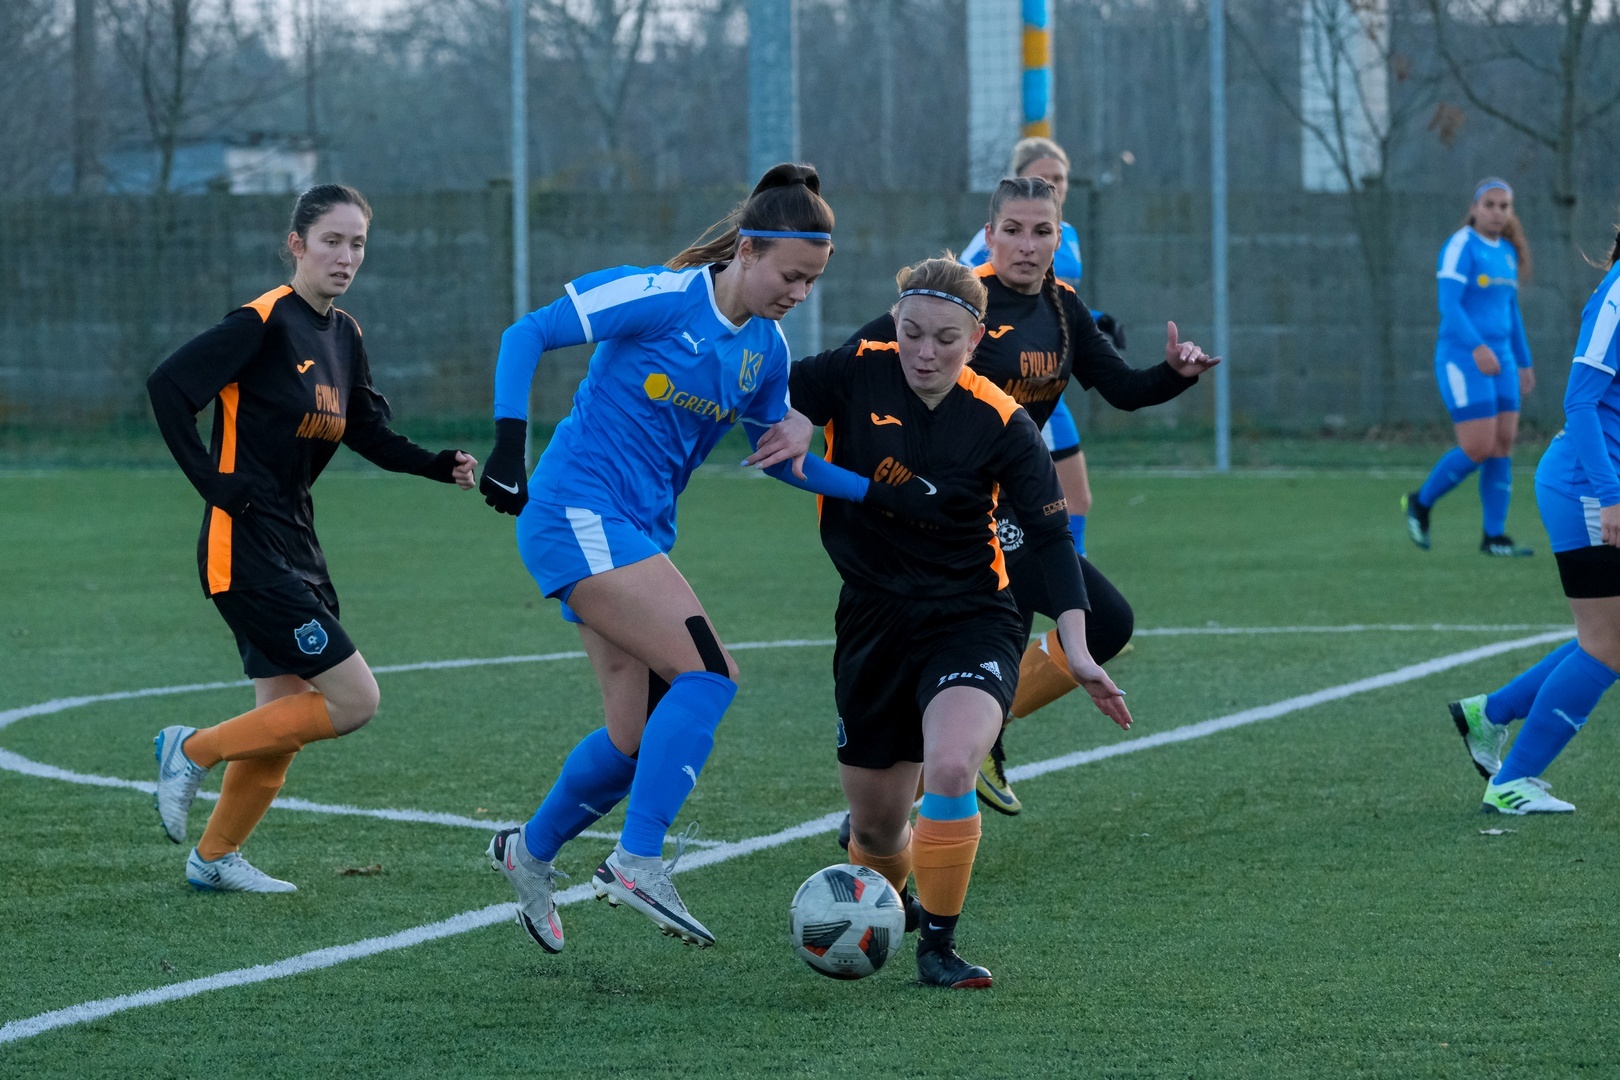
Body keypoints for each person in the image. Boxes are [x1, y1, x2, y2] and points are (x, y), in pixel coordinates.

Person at [477, 164, 928, 954]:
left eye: (814, 281)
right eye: (791, 275)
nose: (800, 293)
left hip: (634, 533)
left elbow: (780, 456)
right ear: (747, 250)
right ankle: (636, 861)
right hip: (576, 512)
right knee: (710, 673)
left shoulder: (765, 351)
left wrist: (877, 493)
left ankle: (529, 851)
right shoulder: (659, 295)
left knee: (631, 740)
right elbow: (527, 334)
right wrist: (509, 446)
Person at [789, 255, 1138, 989]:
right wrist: (790, 432)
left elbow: (1052, 539)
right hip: (871, 618)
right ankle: (894, 905)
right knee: (877, 827)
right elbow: (765, 414)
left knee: (950, 765)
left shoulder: (1003, 421)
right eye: (912, 333)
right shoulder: (851, 370)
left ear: (975, 340)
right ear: (894, 325)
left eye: (946, 339)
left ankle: (939, 950)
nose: (925, 352)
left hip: (971, 614)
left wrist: (1078, 649)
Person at [847, 176, 1215, 817]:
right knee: (1052, 625)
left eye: (1041, 231)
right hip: (948, 511)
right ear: (989, 236)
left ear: (1058, 237)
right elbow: (857, 357)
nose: (1027, 245)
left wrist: (1175, 374)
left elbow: (1123, 389)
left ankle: (958, 747)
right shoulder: (960, 300)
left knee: (1102, 623)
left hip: (1014, 504)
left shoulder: (1063, 307)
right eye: (1013, 231)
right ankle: (916, 780)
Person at [146, 184, 478, 892]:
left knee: (283, 716)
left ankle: (214, 858)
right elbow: (168, 386)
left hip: (298, 542)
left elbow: (367, 431)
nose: (346, 256)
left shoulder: (344, 335)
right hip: (243, 547)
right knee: (354, 700)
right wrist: (211, 482)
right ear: (296, 244)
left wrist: (436, 464)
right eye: (332, 241)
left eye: (357, 243)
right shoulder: (261, 321)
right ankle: (191, 749)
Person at [1447, 226, 1620, 813]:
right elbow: (1581, 401)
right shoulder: (1618, 295)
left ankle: (1490, 713)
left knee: (1606, 637)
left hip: (1597, 485)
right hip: (1587, 488)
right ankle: (1511, 783)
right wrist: (1611, 496)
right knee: (1609, 645)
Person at [959, 136, 1123, 561]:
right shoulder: (994, 240)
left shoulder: (1069, 235)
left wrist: (1096, 319)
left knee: (1074, 498)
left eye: (1060, 178)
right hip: (1008, 385)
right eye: (1043, 177)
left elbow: (1048, 300)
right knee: (1031, 503)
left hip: (1046, 379)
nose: (1054, 184)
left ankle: (1066, 579)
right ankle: (1058, 580)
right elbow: (961, 292)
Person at [1404, 178, 1536, 557]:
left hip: (1503, 359)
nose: (1497, 212)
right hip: (1463, 358)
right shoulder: (1461, 245)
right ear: (1475, 208)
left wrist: (1524, 362)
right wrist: (1478, 347)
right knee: (1478, 446)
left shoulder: (1507, 252)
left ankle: (1494, 537)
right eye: (1489, 204)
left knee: (1503, 444)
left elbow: (1510, 311)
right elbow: (1449, 305)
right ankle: (1420, 502)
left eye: (1504, 206)